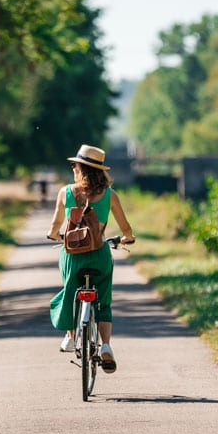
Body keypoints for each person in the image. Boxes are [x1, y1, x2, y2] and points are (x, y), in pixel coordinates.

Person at [47, 144, 135, 373]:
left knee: (69, 289)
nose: (72, 168)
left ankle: (69, 335)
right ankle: (105, 345)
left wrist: (55, 235)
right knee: (103, 301)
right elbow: (126, 228)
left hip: (72, 256)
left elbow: (54, 227)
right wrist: (127, 238)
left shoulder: (66, 192)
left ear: (80, 168)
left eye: (74, 165)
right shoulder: (110, 195)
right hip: (99, 257)